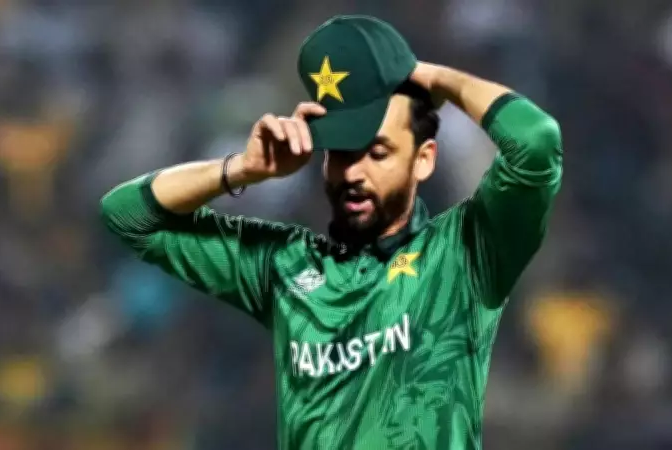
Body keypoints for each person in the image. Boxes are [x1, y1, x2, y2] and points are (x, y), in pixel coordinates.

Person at [101, 14, 562, 450]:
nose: (354, 173)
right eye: (340, 154)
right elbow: (127, 214)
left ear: (422, 160)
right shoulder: (285, 266)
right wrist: (239, 170)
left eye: (377, 153)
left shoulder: (460, 254)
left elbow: (537, 142)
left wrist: (430, 77)